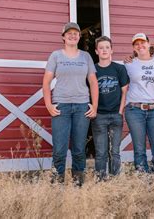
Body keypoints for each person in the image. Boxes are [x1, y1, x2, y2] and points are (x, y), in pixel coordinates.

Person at [43, 22, 99, 185]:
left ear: (79, 37)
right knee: (59, 149)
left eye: (76, 33)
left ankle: (77, 185)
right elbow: (46, 82)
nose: (73, 36)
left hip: (82, 106)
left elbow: (93, 82)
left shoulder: (85, 56)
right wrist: (49, 105)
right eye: (69, 33)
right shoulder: (56, 56)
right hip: (62, 107)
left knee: (79, 149)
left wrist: (94, 105)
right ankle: (56, 185)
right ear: (63, 37)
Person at [124, 33, 154, 172]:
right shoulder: (128, 64)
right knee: (139, 149)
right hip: (134, 110)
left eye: (143, 42)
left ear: (149, 44)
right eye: (136, 44)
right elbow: (122, 86)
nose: (140, 46)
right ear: (133, 48)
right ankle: (143, 181)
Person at [92, 36, 129, 181]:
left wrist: (120, 112)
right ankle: (100, 180)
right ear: (96, 51)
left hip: (115, 115)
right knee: (101, 151)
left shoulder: (119, 69)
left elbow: (124, 91)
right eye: (101, 48)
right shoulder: (92, 70)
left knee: (115, 151)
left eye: (107, 47)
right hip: (99, 116)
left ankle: (115, 181)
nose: (104, 50)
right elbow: (86, 91)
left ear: (112, 50)